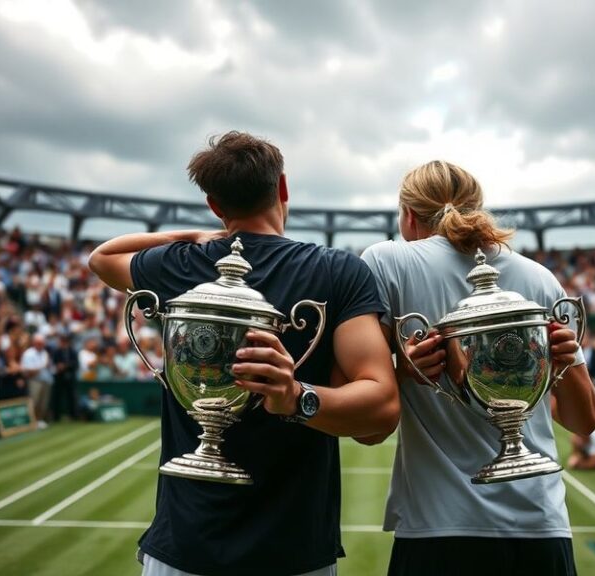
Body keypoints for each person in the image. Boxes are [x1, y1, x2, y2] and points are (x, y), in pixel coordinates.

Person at [88, 131, 399, 576]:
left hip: (181, 548)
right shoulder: (337, 270)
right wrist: (297, 398)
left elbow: (102, 257)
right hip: (293, 551)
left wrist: (192, 237)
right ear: (283, 188)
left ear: (215, 205)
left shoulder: (177, 265)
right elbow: (383, 407)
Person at [360, 160, 595, 576]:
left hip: (439, 528)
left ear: (409, 216)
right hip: (542, 526)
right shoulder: (539, 277)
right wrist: (564, 367)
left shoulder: (386, 261)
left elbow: (368, 430)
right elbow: (585, 420)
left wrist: (403, 372)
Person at [20, 334, 53, 428]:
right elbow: (27, 371)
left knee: (44, 403)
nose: (41, 345)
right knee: (34, 402)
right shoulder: (28, 353)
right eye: (39, 343)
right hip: (34, 381)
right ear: (34, 343)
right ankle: (32, 421)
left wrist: (42, 368)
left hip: (46, 381)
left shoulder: (45, 353)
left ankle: (40, 420)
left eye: (42, 343)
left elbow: (47, 366)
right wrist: (40, 367)